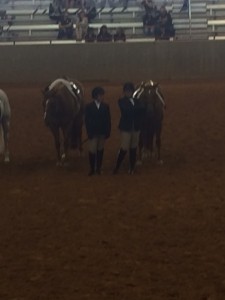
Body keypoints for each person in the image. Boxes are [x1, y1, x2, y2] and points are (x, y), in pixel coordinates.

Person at [113, 82, 144, 175]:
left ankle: (132, 167)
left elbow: (142, 109)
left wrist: (135, 110)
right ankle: (117, 166)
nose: (128, 93)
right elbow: (126, 111)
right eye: (127, 91)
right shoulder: (121, 101)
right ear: (124, 92)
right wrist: (136, 109)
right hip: (126, 128)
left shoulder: (137, 101)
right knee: (124, 148)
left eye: (130, 91)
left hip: (136, 127)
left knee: (133, 148)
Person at [85, 87, 111, 176]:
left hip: (102, 132)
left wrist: (108, 131)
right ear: (96, 96)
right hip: (93, 132)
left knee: (100, 150)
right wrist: (89, 132)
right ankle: (92, 168)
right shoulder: (89, 107)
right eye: (100, 95)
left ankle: (98, 168)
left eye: (102, 95)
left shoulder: (105, 106)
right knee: (92, 150)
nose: (102, 97)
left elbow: (108, 120)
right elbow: (87, 121)